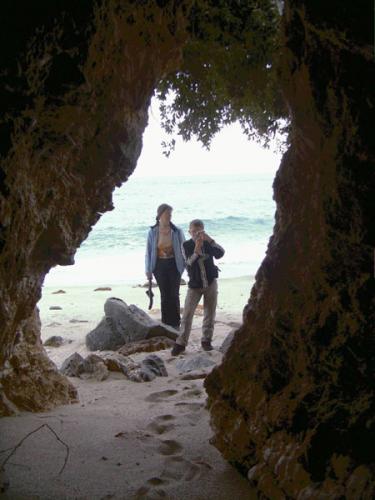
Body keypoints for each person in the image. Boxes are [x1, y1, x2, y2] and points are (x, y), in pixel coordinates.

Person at [171, 219, 225, 355]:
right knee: (187, 314)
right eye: (194, 232)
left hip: (210, 283)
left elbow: (221, 253)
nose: (196, 234)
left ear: (203, 231)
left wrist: (210, 240)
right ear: (189, 232)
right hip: (194, 285)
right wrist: (196, 250)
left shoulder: (208, 243)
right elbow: (188, 263)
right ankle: (181, 343)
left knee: (209, 313)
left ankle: (206, 341)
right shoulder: (186, 245)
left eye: (199, 232)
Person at [145, 204, 185, 329]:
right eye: (167, 214)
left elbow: (184, 249)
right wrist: (148, 270)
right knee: (164, 294)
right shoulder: (152, 231)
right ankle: (166, 323)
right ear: (160, 215)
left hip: (174, 264)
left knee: (174, 294)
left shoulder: (177, 231)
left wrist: (188, 266)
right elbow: (149, 251)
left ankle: (176, 322)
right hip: (159, 265)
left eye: (170, 214)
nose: (169, 216)